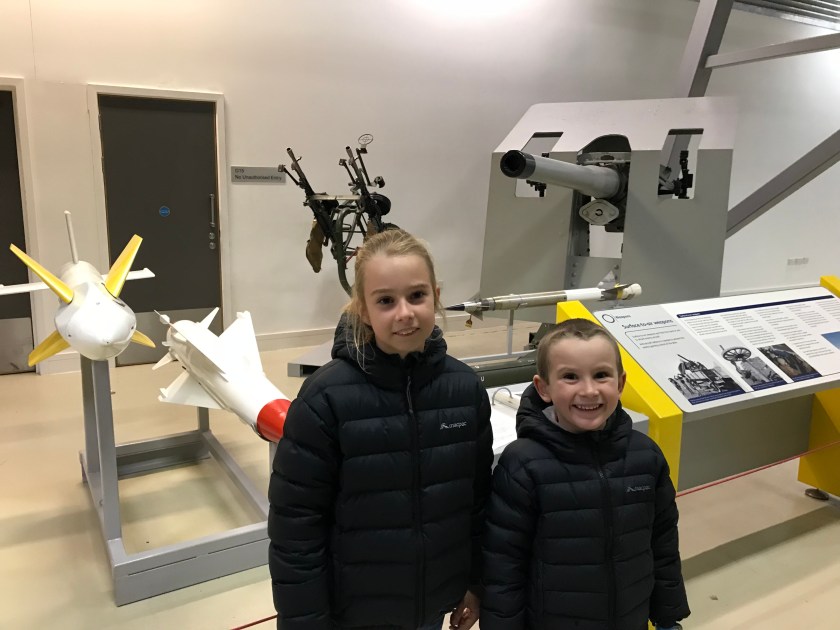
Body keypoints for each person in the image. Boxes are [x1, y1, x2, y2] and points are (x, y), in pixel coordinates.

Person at [268, 229, 494, 630]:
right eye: (386, 301)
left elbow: (476, 504)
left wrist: (475, 583)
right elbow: (296, 529)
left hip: (433, 605)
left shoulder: (465, 390)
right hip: (353, 612)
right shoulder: (325, 398)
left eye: (417, 295)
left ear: (436, 296)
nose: (404, 313)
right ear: (362, 309)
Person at [481, 318, 690, 630]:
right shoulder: (523, 464)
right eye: (570, 377)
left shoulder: (645, 456)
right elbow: (504, 564)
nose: (589, 390)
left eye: (601, 375)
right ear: (543, 388)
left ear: (620, 383)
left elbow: (662, 542)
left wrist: (668, 616)